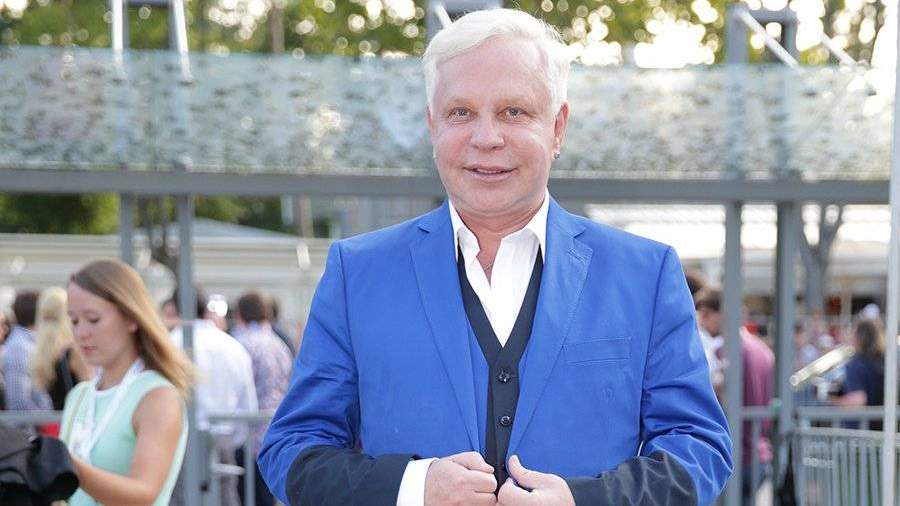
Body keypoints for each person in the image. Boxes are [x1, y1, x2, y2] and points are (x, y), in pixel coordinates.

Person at [259, 9, 732, 506]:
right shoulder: (357, 274)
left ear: (558, 127)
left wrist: (586, 500)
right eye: (461, 112)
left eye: (513, 111)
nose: (486, 138)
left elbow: (699, 447)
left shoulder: (644, 276)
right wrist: (414, 487)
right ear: (432, 125)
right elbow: (291, 450)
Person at [58, 259, 195, 505]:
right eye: (74, 320)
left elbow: (143, 494)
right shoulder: (79, 396)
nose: (81, 332)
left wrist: (65, 465)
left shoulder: (157, 396)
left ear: (132, 318)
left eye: (93, 319)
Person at [165, 287, 258, 506]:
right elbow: (248, 404)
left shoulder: (169, 344)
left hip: (179, 443)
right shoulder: (232, 346)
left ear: (174, 308)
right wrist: (234, 438)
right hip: (223, 440)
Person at [694, 287, 773, 505]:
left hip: (733, 454)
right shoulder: (762, 349)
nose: (701, 322)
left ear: (719, 314)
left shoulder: (726, 352)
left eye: (704, 314)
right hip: (759, 452)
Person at [232, 291, 292, 506]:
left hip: (250, 434)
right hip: (276, 428)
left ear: (240, 315)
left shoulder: (243, 343)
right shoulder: (280, 344)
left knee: (248, 495)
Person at [31, 287, 93, 412]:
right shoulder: (73, 350)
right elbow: (90, 389)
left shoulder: (39, 352)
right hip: (76, 417)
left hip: (57, 418)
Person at [830, 318, 885, 429]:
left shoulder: (857, 364)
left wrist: (832, 401)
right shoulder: (883, 361)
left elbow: (858, 400)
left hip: (861, 430)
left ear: (859, 337)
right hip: (882, 428)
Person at [3, 290, 53, 411]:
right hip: (33, 422)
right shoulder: (20, 348)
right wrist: (46, 420)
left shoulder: (28, 344)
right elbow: (19, 403)